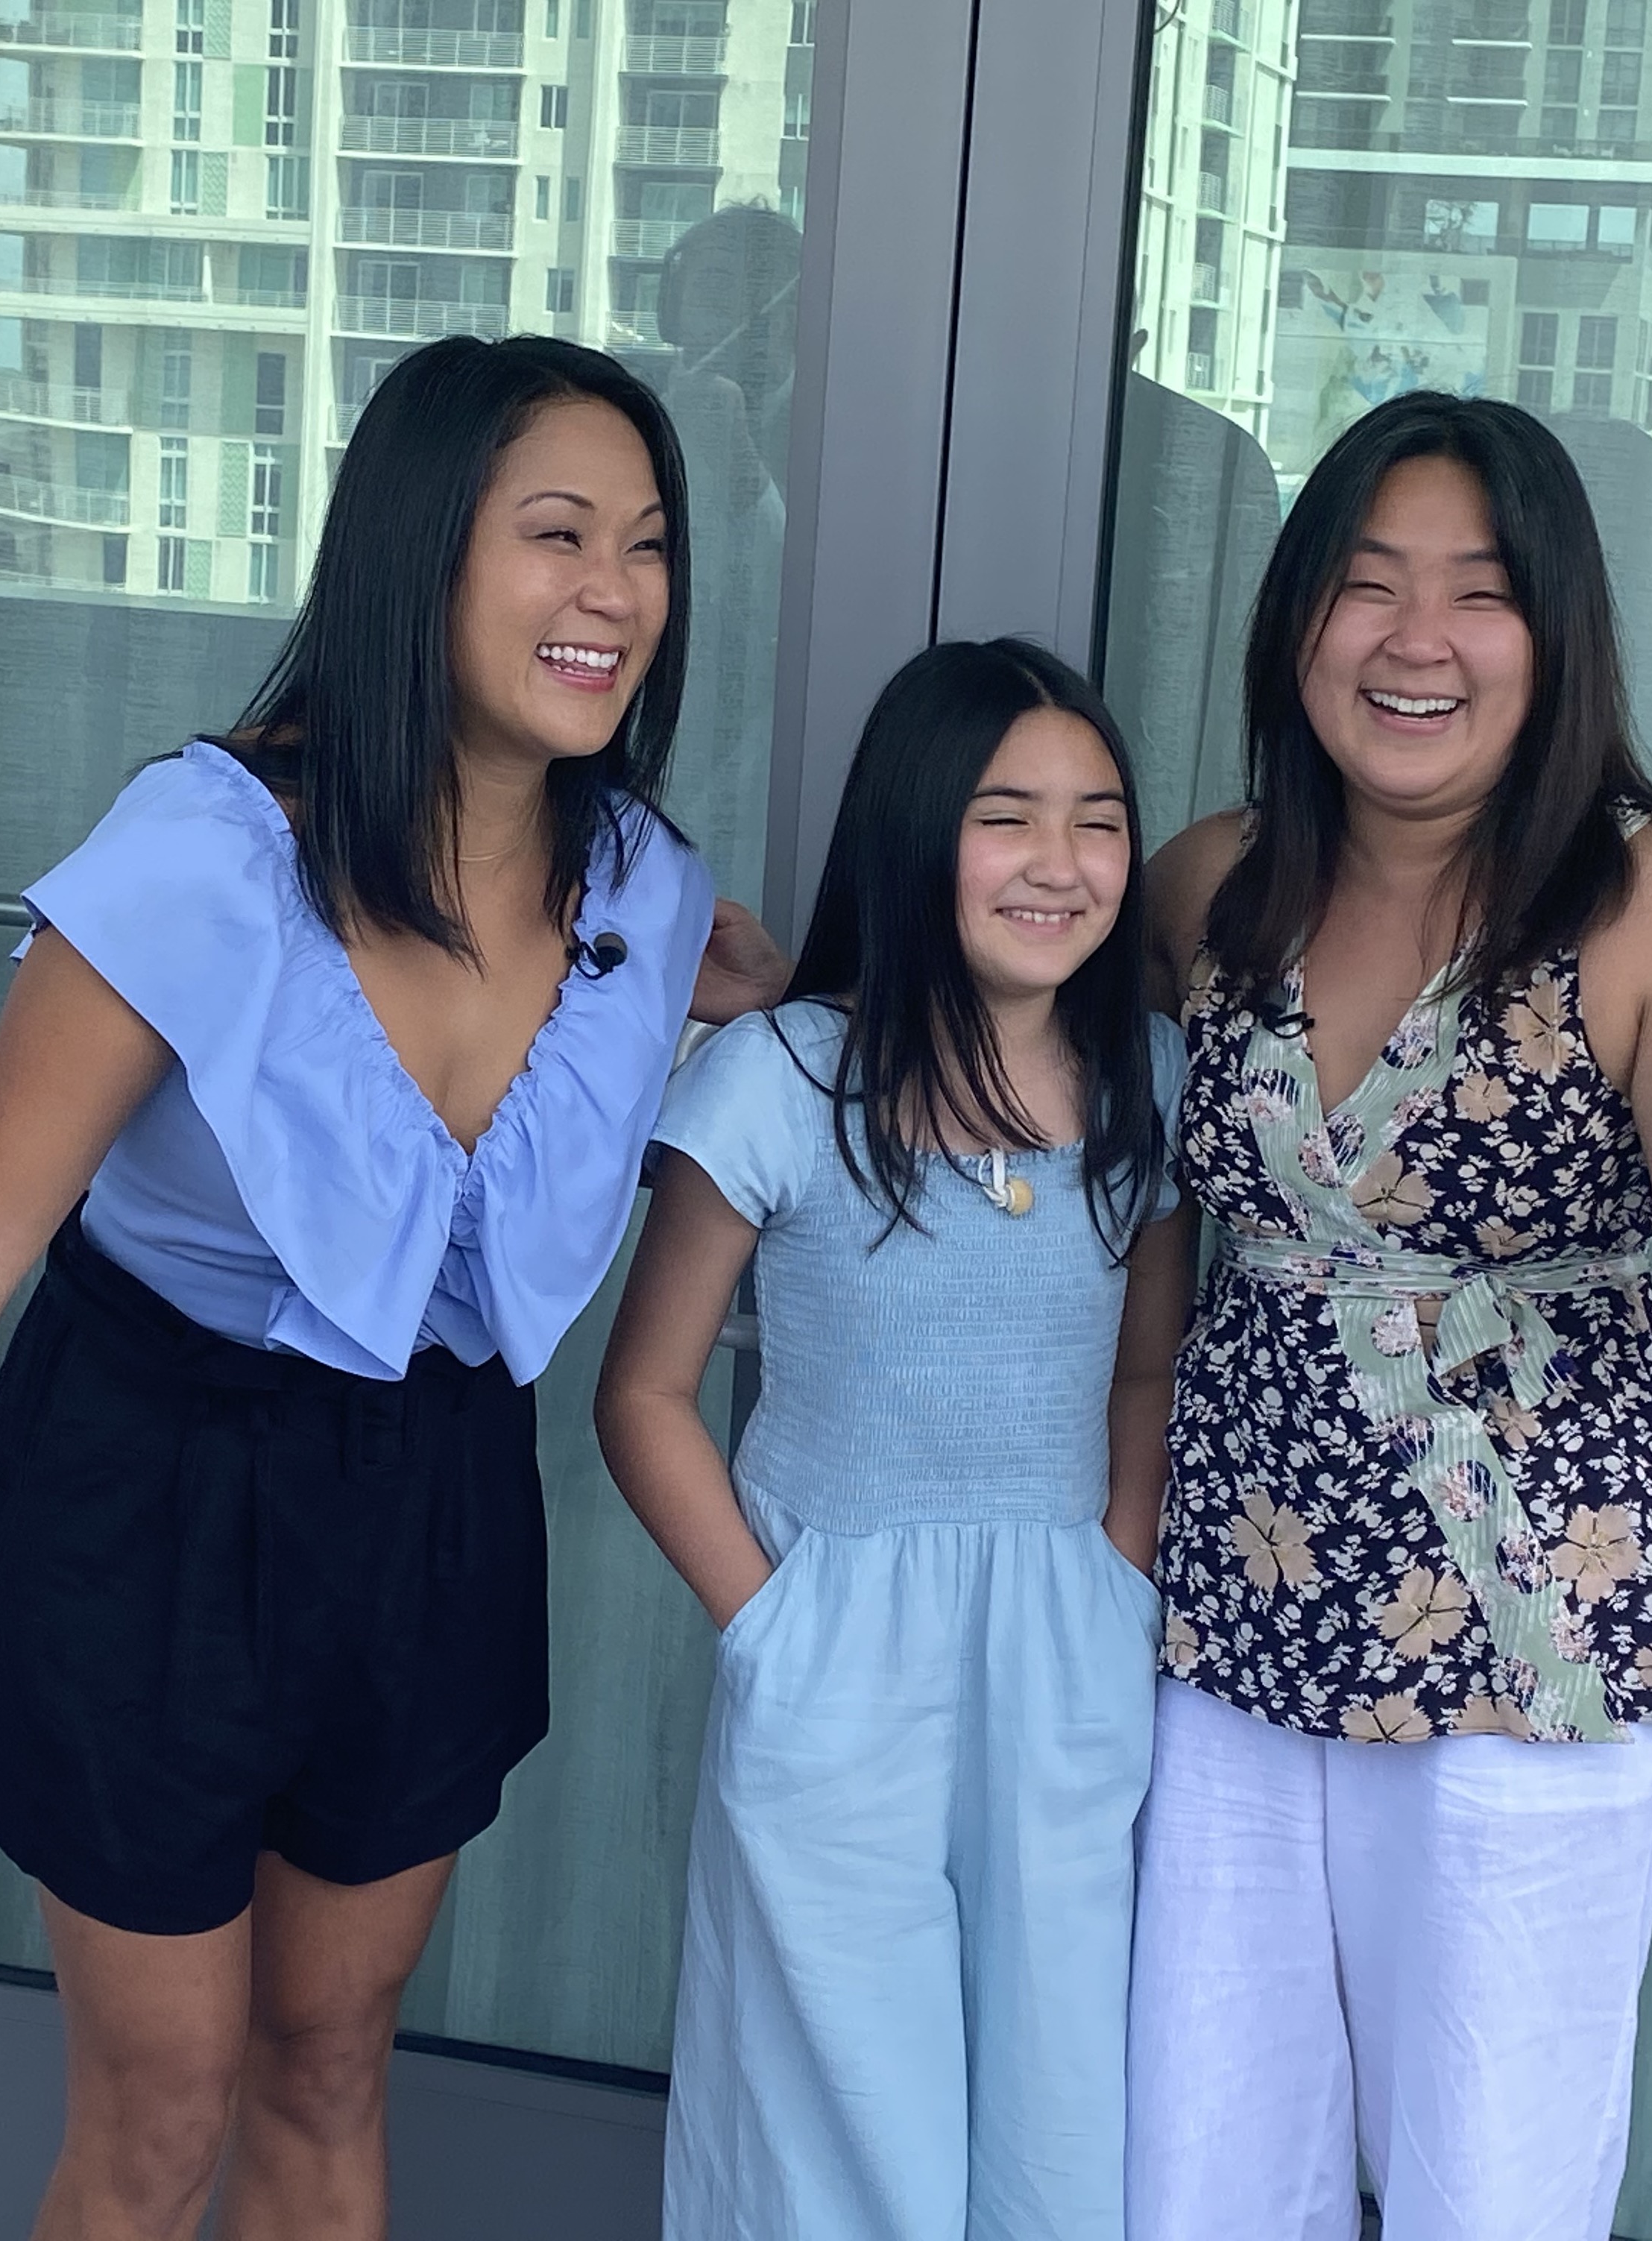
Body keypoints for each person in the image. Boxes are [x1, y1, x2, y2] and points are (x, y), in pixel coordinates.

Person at [0, 335, 786, 2241]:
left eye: (648, 544)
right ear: (420, 551)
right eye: (558, 534)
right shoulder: (208, 856)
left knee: (332, 2063)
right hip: (151, 1502)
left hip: (432, 1505)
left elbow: (750, 1016)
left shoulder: (642, 888)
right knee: (159, 2115)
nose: (616, 592)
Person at [1123, 392, 1652, 2241]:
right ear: (1299, 617)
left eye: (1479, 592)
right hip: (1236, 1621)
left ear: (1560, 632)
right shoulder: (1211, 886)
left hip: (1530, 1654)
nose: (1418, 639)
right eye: (1369, 585)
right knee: (1198, 2175)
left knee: (1492, 2194)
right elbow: (1051, 1102)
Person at [597, 638, 1189, 2240]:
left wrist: (1119, 1573)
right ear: (915, 830)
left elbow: (1146, 1372)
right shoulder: (785, 1077)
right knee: (843, 2116)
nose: (1060, 863)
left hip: (1066, 1649)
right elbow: (641, 1394)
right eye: (1006, 817)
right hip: (834, 1647)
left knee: (1058, 2110)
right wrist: (772, 1624)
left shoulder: (1146, 1078)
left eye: (1098, 820)